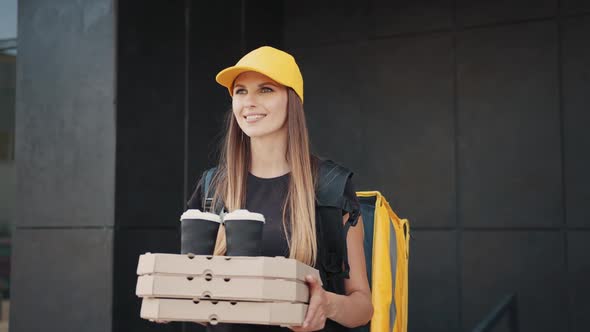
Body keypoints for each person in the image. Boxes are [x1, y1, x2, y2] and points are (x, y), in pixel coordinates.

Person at [186, 46, 373, 332]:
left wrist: (327, 304)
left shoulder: (331, 187)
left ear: (292, 100)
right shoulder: (213, 187)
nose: (249, 102)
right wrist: (178, 297)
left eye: (265, 89)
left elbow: (362, 307)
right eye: (240, 91)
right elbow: (197, 297)